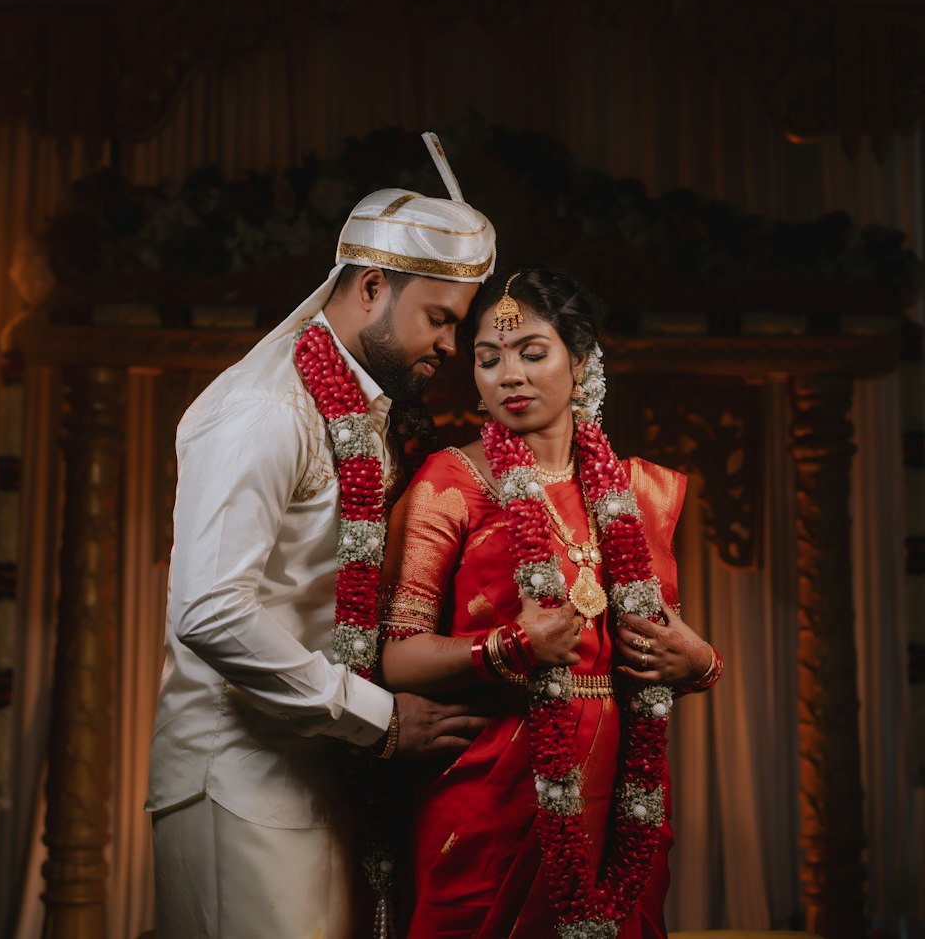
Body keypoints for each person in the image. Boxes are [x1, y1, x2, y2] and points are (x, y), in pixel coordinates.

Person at [146, 135, 497, 939]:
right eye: (438, 318)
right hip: (240, 782)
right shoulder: (267, 408)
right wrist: (379, 717)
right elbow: (211, 611)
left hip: (323, 767)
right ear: (372, 286)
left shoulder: (370, 411)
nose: (451, 346)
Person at [380, 266, 723, 939]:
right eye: (488, 358)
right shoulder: (453, 482)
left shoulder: (638, 492)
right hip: (490, 791)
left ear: (582, 361)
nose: (509, 374)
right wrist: (509, 646)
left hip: (622, 795)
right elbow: (395, 658)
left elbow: (659, 649)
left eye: (532, 352)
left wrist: (701, 662)